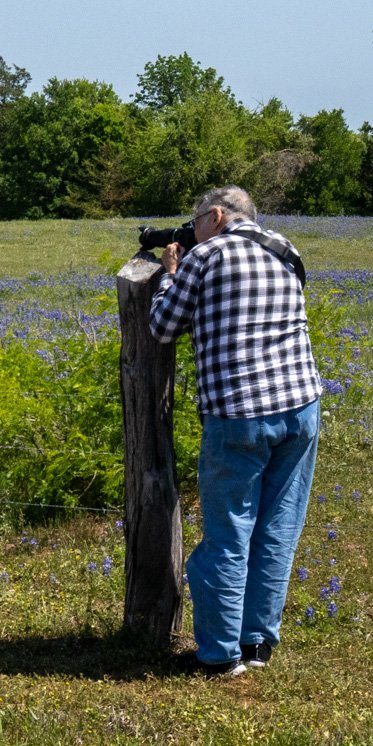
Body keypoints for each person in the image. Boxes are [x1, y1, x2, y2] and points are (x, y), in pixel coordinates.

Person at [149, 185, 321, 678]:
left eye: (196, 221)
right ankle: (257, 642)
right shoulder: (284, 248)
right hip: (301, 406)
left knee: (228, 533)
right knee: (278, 528)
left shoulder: (206, 257)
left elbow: (163, 326)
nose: (193, 231)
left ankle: (221, 655)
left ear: (217, 216)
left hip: (239, 412)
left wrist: (170, 274)